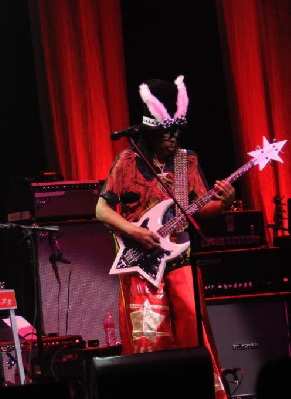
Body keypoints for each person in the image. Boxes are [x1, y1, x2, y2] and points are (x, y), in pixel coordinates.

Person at [95, 75, 235, 399]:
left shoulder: (187, 161)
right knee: (149, 339)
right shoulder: (128, 161)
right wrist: (135, 232)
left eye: (176, 131)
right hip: (141, 263)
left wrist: (224, 202)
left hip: (181, 259)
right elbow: (102, 210)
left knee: (191, 332)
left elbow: (197, 208)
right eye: (166, 131)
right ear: (150, 132)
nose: (172, 137)